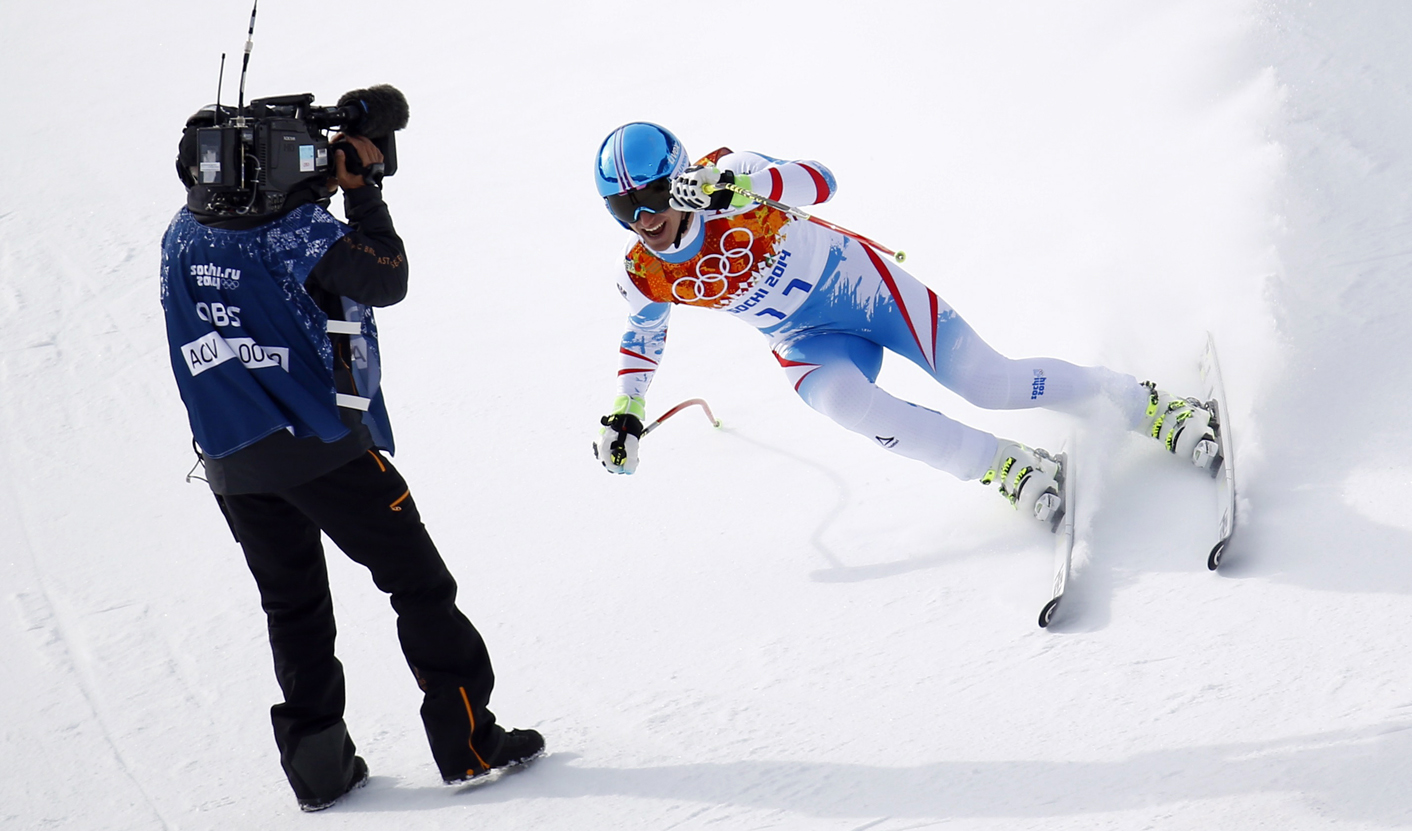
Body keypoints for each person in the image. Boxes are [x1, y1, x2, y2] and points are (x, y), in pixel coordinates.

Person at [161, 104, 543, 812]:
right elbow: (385, 277)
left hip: (234, 463)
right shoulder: (296, 231)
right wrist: (364, 190)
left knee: (293, 607)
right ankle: (468, 743)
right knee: (420, 587)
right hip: (324, 451)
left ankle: (320, 773)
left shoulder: (182, 233)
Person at [591, 122, 1219, 520]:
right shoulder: (642, 269)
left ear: (678, 179)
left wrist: (743, 185)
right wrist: (627, 409)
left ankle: (1146, 405)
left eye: (652, 195)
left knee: (989, 384)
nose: (644, 219)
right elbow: (642, 332)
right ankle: (1004, 465)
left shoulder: (731, 176)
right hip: (801, 337)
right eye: (623, 207)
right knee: (841, 403)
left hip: (860, 289)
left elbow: (821, 183)